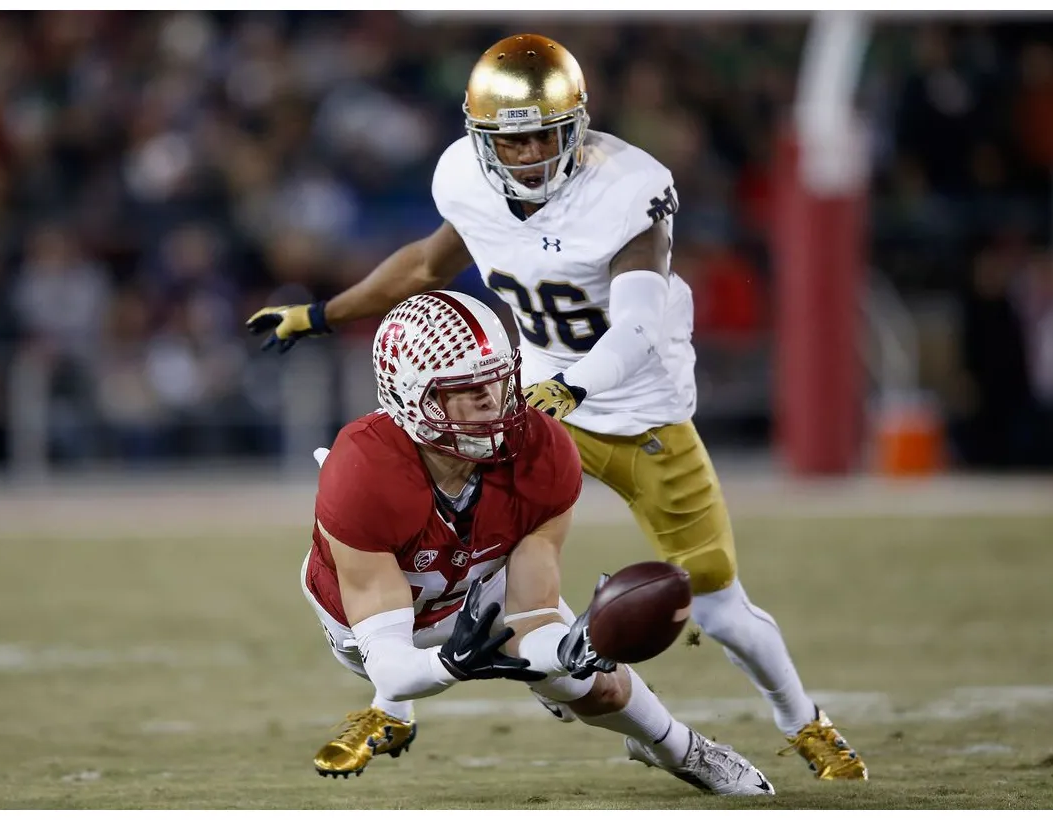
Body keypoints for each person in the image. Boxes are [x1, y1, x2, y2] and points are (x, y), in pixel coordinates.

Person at [251, 33, 865, 781]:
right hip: (530, 401)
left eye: (545, 134)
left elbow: (638, 323)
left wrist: (571, 387)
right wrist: (320, 314)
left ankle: (806, 723)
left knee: (716, 603)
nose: (530, 154)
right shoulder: (467, 185)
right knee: (431, 538)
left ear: (577, 126)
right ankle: (429, 694)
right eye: (511, 141)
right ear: (479, 141)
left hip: (635, 414)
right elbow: (420, 266)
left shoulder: (627, 187)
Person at [301, 289, 774, 796]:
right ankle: (393, 716)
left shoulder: (541, 448)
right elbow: (392, 667)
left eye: (497, 378)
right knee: (400, 687)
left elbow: (532, 611)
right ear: (411, 398)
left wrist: (569, 651)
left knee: (597, 689)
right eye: (467, 387)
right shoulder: (364, 472)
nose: (492, 398)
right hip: (371, 625)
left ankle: (679, 748)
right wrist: (449, 664)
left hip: (480, 586)